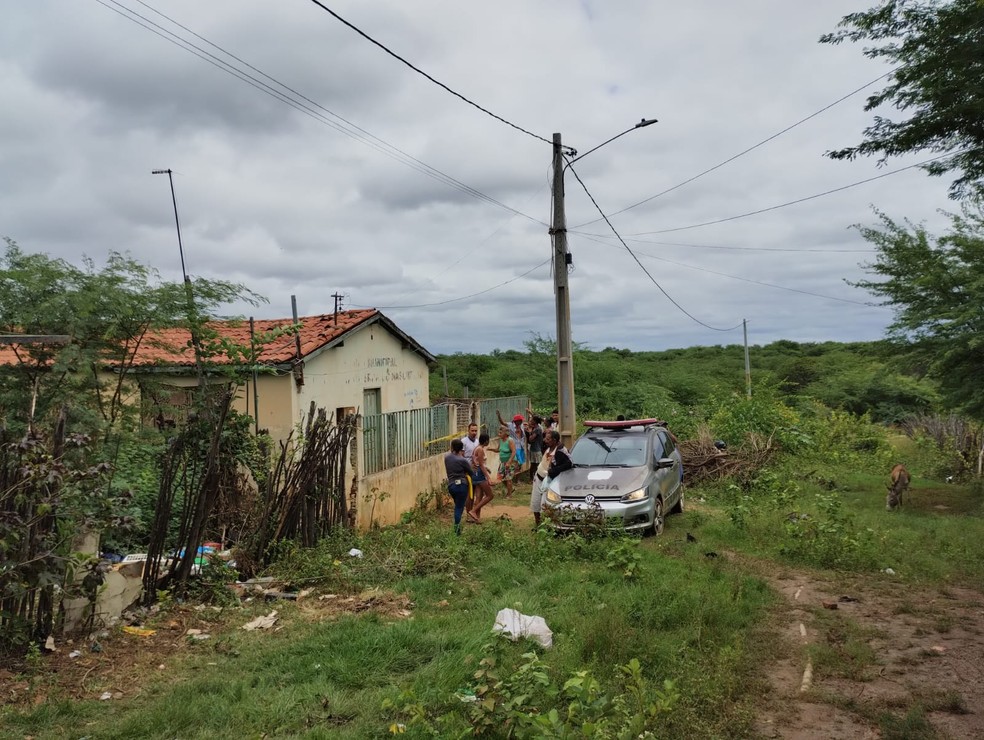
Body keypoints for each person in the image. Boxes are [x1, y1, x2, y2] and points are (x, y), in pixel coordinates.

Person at [444, 439, 474, 535]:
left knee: (458, 506)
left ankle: (457, 528)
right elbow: (471, 472)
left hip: (451, 485)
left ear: (452, 447)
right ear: (462, 448)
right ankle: (457, 531)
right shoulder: (463, 460)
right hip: (462, 485)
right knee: (459, 507)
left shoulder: (447, 458)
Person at [470, 432, 494, 521]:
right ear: (486, 441)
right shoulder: (480, 449)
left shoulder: (477, 448)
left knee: (479, 496)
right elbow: (480, 464)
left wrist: (486, 469)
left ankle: (476, 517)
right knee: (490, 495)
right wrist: (488, 477)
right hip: (479, 474)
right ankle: (473, 511)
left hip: (476, 473)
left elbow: (478, 463)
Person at [496, 425, 518, 498]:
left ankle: (509, 495)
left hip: (510, 462)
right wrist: (489, 449)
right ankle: (511, 489)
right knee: (501, 478)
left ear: (505, 433)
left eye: (500, 433)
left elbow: (514, 452)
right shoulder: (501, 440)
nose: (499, 434)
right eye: (499, 432)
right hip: (503, 462)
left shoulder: (510, 440)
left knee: (508, 478)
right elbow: (498, 449)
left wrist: (509, 462)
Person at [526, 414, 544, 483]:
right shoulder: (536, 429)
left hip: (536, 449)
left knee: (536, 465)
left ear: (535, 421)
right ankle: (534, 478)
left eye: (532, 420)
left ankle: (534, 478)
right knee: (535, 464)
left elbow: (531, 439)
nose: (531, 421)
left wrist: (530, 433)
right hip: (536, 449)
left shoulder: (537, 429)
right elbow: (531, 439)